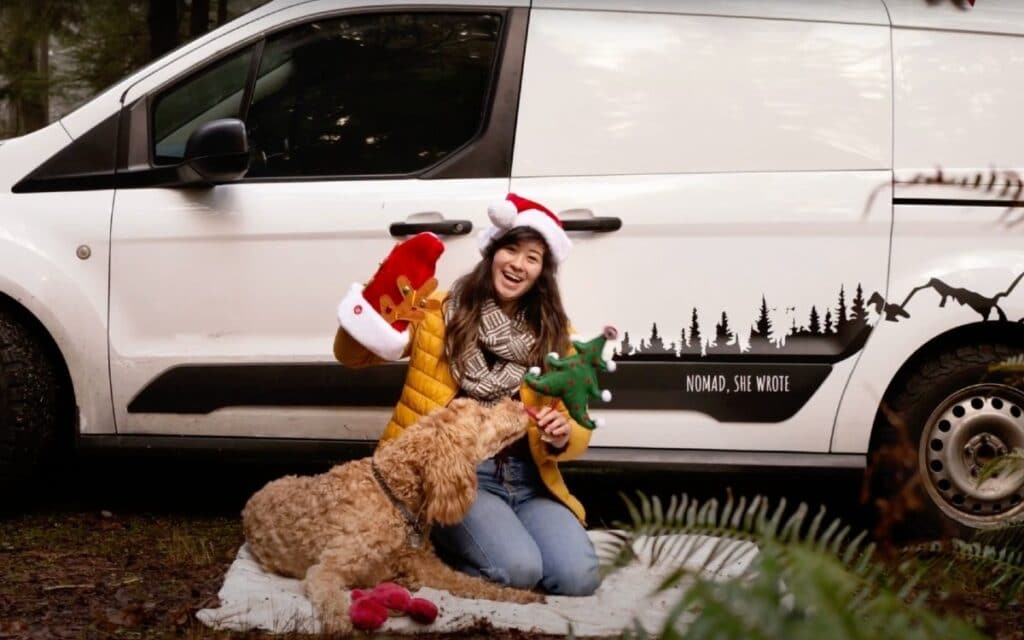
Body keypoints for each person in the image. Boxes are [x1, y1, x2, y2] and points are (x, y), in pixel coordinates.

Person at [333, 194, 601, 597]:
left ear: (542, 272)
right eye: (511, 248)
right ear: (492, 251)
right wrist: (374, 301)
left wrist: (563, 435)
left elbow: (577, 424)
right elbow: (351, 356)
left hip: (530, 482)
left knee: (578, 580)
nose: (518, 264)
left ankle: (493, 541)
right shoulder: (442, 312)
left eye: (533, 257)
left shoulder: (556, 333)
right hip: (457, 479)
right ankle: (435, 546)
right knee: (520, 570)